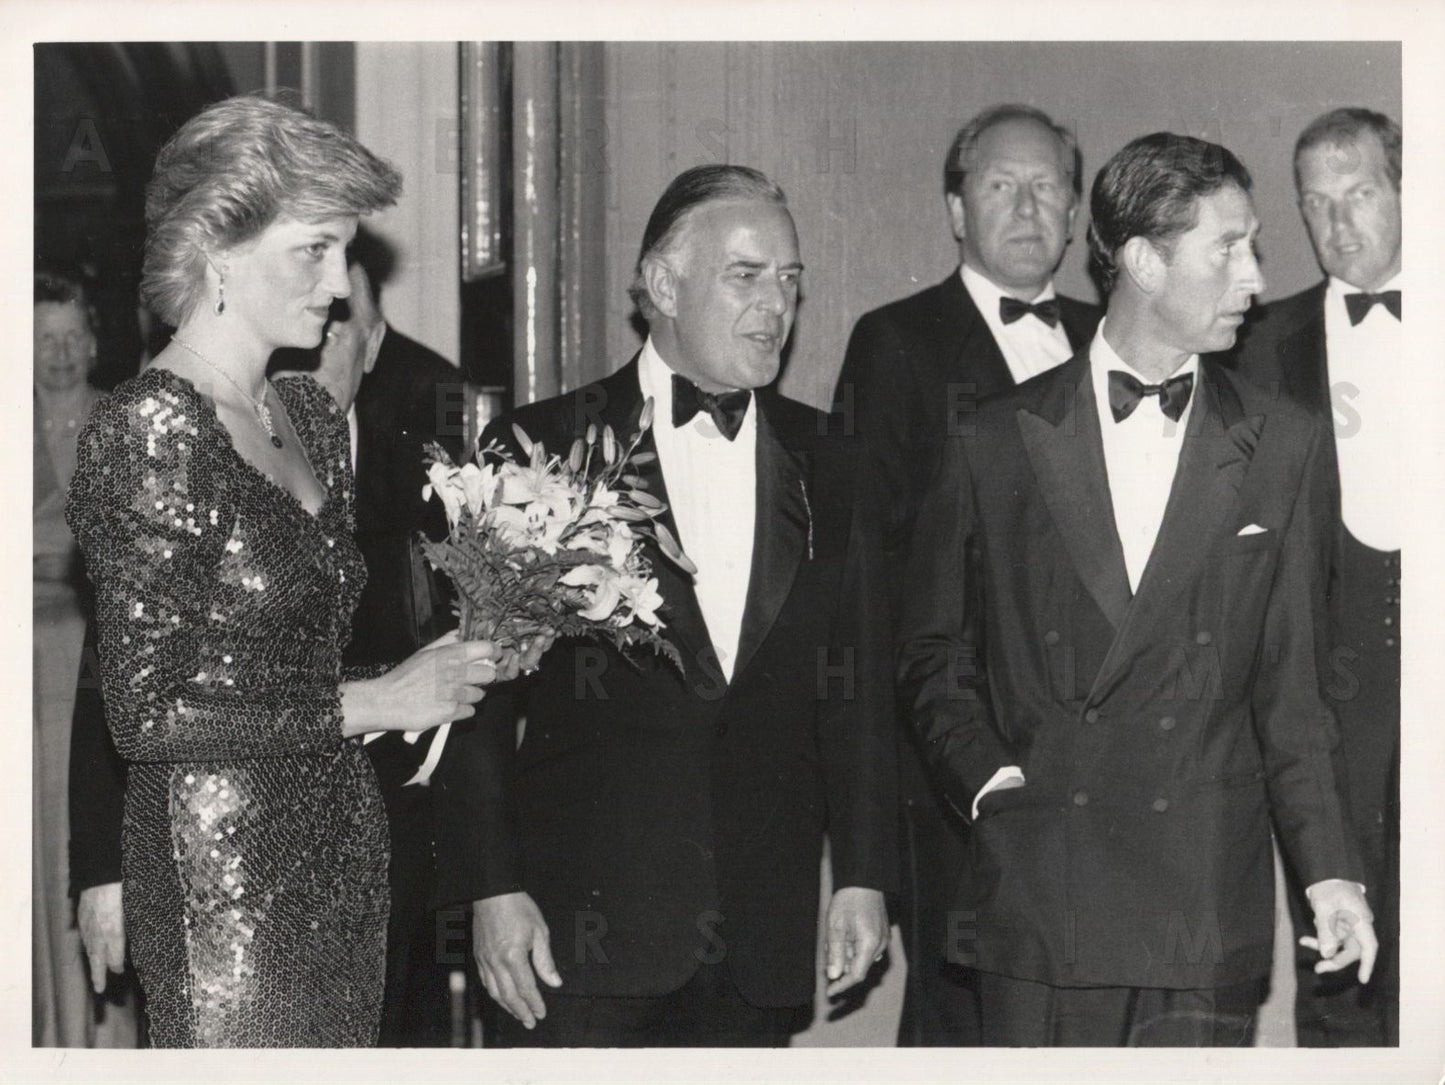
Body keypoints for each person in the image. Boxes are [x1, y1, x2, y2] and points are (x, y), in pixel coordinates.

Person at [890, 132, 1376, 1045]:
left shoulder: (1285, 442)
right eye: (1226, 247)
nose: (1254, 278)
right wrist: (990, 781)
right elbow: (928, 648)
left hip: (1198, 907)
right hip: (1040, 897)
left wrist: (1329, 875)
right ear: (1146, 262)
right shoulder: (995, 439)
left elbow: (1295, 694)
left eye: (1253, 245)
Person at [64, 95, 503, 1048]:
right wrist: (378, 701)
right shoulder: (150, 428)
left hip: (342, 860)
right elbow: (147, 711)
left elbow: (284, 664)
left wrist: (443, 672)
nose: (341, 286)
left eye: (344, 251)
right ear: (219, 248)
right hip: (223, 884)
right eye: (315, 250)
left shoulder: (302, 417)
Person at [431, 164, 898, 1047]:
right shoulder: (541, 446)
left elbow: (857, 689)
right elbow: (471, 703)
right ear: (661, 286)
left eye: (790, 282)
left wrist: (864, 874)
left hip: (756, 934)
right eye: (747, 276)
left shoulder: (831, 459)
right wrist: (491, 888)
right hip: (578, 940)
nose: (776, 305)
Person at [832, 104, 1100, 1046]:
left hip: (1101, 759)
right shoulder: (895, 343)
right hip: (960, 760)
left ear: (1074, 212)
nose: (1027, 208)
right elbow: (869, 578)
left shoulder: (1119, 339)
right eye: (999, 185)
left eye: (1047, 187)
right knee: (965, 1018)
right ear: (954, 209)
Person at [1230, 107, 1401, 1046]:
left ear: (1409, 189)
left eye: (1360, 193)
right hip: (1326, 697)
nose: (1338, 225)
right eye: (1315, 203)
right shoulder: (1262, 343)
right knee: (1342, 959)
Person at [33, 269, 138, 1047]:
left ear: (96, 341)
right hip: (21, 664)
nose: (62, 353)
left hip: (97, 659)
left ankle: (95, 1035)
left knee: (88, 826)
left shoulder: (122, 421)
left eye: (74, 335)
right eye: (45, 338)